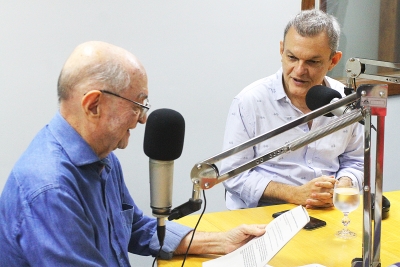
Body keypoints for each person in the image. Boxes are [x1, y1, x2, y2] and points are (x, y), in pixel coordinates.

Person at [0, 41, 267, 266]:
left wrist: (221, 241)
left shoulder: (103, 159)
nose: (143, 119)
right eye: (138, 104)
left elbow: (135, 228)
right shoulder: (50, 188)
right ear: (94, 105)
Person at [221, 9, 364, 210]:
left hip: (327, 210)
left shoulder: (345, 102)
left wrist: (342, 186)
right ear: (281, 50)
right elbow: (233, 175)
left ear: (333, 60)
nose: (299, 71)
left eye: (312, 62)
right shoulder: (250, 101)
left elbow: (357, 162)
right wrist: (294, 194)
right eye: (292, 57)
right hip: (265, 213)